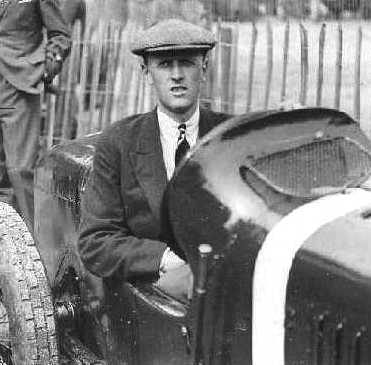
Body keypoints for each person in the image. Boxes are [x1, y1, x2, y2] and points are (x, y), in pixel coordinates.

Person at [78, 19, 232, 302]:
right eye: (164, 65)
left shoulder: (229, 136)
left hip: (225, 289)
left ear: (204, 68)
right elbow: (96, 241)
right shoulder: (119, 143)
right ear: (146, 72)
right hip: (154, 297)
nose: (176, 75)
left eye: (186, 62)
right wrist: (164, 258)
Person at [0, 0, 71, 232]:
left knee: (20, 171)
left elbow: (60, 35)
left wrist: (46, 69)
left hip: (19, 85)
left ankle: (34, 247)